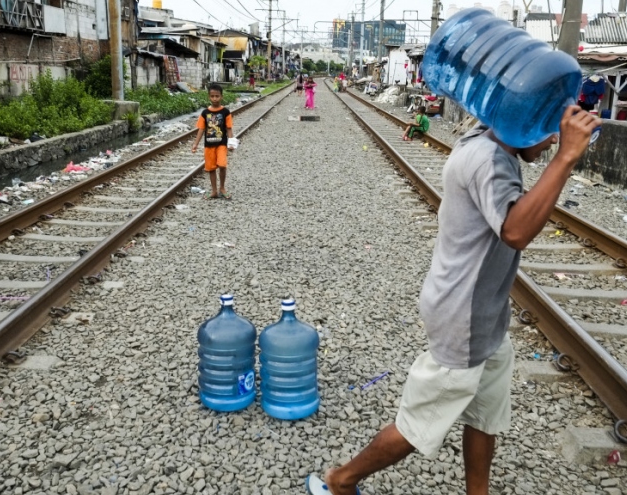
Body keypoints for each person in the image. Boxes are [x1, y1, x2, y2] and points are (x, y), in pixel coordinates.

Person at [305, 105, 601, 495]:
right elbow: (515, 231)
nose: (551, 142)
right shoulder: (486, 159)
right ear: (522, 122)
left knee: (484, 415)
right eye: (549, 133)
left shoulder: (491, 141)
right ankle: (339, 482)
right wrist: (565, 158)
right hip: (464, 317)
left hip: (486, 313)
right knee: (418, 423)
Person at [191, 84, 235, 200]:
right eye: (212, 96)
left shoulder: (225, 112)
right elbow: (201, 129)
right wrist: (195, 144)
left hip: (221, 144)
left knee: (222, 165)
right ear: (209, 97)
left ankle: (222, 188)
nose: (215, 99)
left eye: (217, 96)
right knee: (210, 168)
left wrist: (231, 142)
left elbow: (229, 128)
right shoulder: (205, 113)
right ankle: (214, 191)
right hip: (209, 145)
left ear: (221, 97)